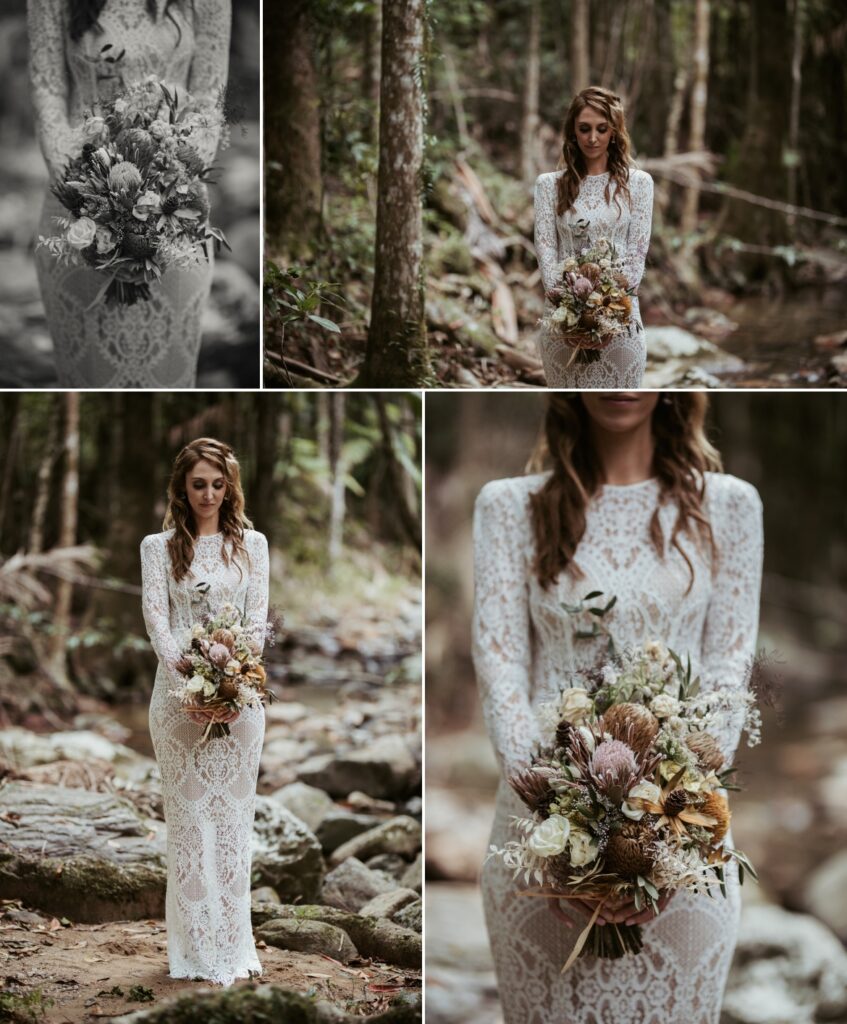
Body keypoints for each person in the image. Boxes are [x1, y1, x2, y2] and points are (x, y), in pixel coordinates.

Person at [472, 392, 763, 1023]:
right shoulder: (509, 506)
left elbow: (728, 668)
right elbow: (500, 669)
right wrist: (562, 828)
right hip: (538, 839)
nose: (619, 379)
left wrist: (662, 842)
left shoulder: (730, 506)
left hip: (684, 844)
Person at [28, 0, 231, 387]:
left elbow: (210, 96)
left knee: (167, 375)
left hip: (177, 207)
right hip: (77, 203)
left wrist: (170, 182)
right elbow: (47, 87)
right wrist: (86, 192)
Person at [141, 437, 269, 985]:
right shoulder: (157, 546)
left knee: (234, 826)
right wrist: (192, 685)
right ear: (182, 486)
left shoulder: (253, 545)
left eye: (218, 484)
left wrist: (229, 679)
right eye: (199, 484)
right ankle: (194, 951)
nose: (209, 494)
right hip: (176, 704)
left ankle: (232, 946)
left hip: (240, 705)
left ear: (231, 486)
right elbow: (156, 618)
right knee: (190, 824)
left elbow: (258, 619)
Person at [534, 87, 654, 388]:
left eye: (602, 129)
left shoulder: (638, 184)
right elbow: (546, 247)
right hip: (564, 322)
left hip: (620, 321)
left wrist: (602, 310)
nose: (592, 138)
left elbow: (637, 253)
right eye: (584, 129)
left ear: (614, 131)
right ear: (573, 132)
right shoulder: (549, 185)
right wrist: (573, 310)